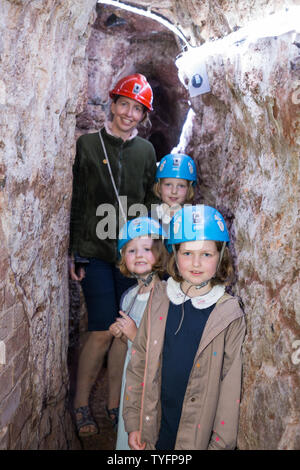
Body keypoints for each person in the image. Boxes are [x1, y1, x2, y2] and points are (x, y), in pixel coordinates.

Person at [69, 73, 159, 437]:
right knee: (101, 330)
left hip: (132, 254)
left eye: (137, 109)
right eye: (124, 104)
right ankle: (79, 405)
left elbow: (152, 202)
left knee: (123, 331)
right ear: (113, 103)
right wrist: (76, 250)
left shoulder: (147, 152)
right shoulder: (89, 145)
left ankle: (113, 403)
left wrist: (154, 253)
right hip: (96, 251)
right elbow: (78, 199)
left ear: (143, 116)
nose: (129, 113)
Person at [123, 204, 246, 450]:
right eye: (187, 253)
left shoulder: (229, 314)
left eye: (206, 254)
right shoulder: (159, 298)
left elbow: (230, 388)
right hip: (156, 426)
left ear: (221, 255)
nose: (196, 263)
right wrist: (135, 421)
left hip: (196, 437)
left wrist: (220, 445)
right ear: (174, 253)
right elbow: (139, 362)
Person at [109, 217, 167, 449]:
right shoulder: (129, 296)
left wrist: (134, 335)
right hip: (130, 376)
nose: (139, 255)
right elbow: (130, 340)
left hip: (151, 380)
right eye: (131, 250)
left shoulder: (166, 296)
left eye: (147, 248)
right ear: (123, 258)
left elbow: (162, 347)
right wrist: (122, 334)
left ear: (160, 253)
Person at [151, 153, 196, 234]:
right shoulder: (149, 219)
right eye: (168, 185)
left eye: (181, 186)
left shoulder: (193, 220)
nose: (174, 191)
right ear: (159, 187)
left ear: (189, 189)